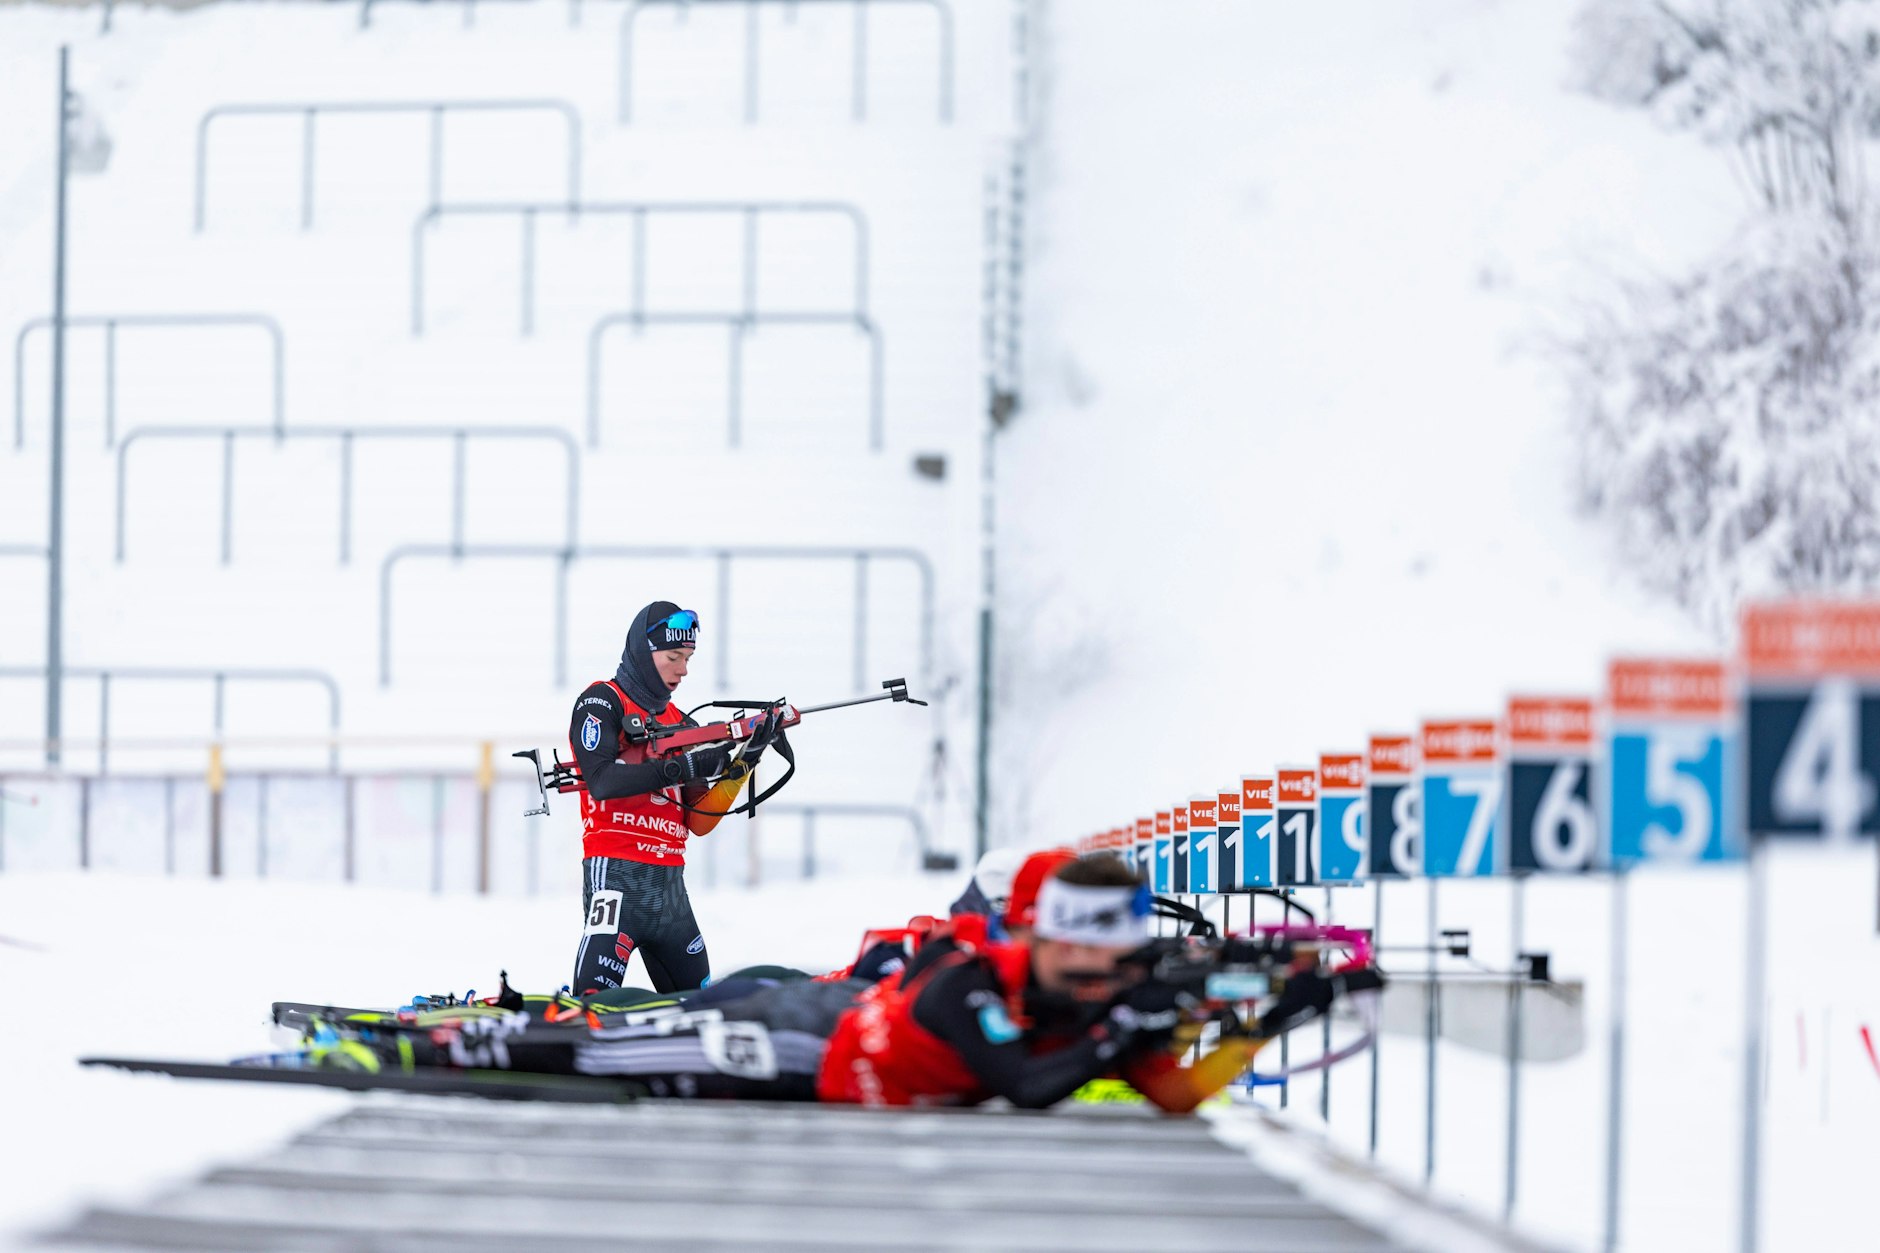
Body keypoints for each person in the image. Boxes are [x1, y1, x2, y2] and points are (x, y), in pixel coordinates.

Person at [382, 854, 1373, 1111]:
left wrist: (1262, 1024)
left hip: (829, 1037)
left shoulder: (1087, 995)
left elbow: (1168, 1091)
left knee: (623, 1047)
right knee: (606, 1053)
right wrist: (1138, 1016)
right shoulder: (973, 978)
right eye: (1089, 961)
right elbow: (1030, 1084)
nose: (1098, 978)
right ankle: (425, 1050)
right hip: (804, 1040)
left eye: (1111, 967)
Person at [567, 601, 759, 996]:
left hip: (670, 893)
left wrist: (746, 761)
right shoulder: (603, 701)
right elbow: (601, 780)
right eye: (673, 656)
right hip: (615, 878)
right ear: (644, 651)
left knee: (703, 1009)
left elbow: (700, 822)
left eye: (688, 657)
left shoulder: (682, 725)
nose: (683, 669)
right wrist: (680, 768)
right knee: (592, 1008)